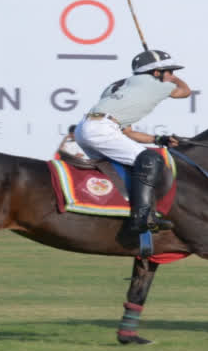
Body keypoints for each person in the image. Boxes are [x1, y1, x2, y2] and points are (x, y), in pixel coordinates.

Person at [74, 49, 192, 233]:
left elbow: (127, 133)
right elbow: (185, 92)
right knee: (151, 160)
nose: (172, 75)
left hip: (85, 128)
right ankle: (142, 218)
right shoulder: (158, 84)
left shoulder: (119, 85)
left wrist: (158, 139)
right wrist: (174, 79)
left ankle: (114, 208)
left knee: (125, 165)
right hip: (102, 129)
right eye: (170, 71)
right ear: (156, 73)